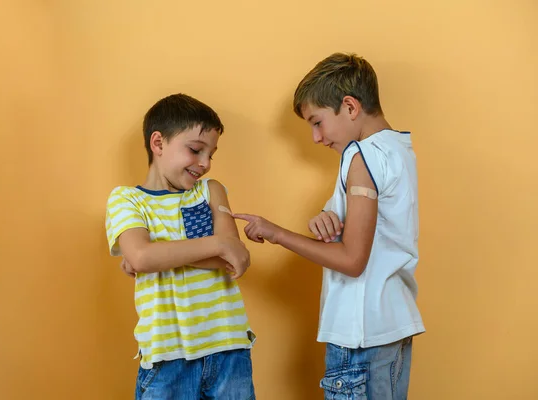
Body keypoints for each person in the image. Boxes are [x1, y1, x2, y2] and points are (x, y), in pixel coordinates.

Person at [233, 53, 425, 399]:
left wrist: (276, 233)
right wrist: (328, 217)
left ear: (350, 106)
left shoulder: (359, 157)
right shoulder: (398, 149)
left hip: (359, 335)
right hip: (392, 328)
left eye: (317, 121)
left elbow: (352, 260)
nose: (315, 137)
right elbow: (375, 229)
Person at [105, 93, 256, 400]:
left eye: (211, 154)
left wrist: (158, 254)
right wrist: (214, 244)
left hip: (228, 348)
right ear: (158, 143)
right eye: (196, 150)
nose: (206, 164)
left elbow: (234, 256)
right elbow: (143, 257)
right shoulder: (126, 199)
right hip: (166, 356)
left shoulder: (211, 191)